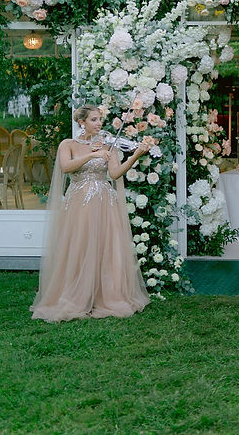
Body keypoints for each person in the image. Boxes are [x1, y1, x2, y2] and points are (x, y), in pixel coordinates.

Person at [31, 105, 151, 322]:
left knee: (105, 247)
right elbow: (66, 167)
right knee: (79, 246)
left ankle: (103, 295)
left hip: (104, 203)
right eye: (94, 119)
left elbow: (114, 173)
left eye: (100, 119)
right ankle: (76, 294)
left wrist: (135, 156)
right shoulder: (68, 145)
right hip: (79, 204)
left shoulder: (109, 145)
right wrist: (93, 154)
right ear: (82, 122)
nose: (99, 123)